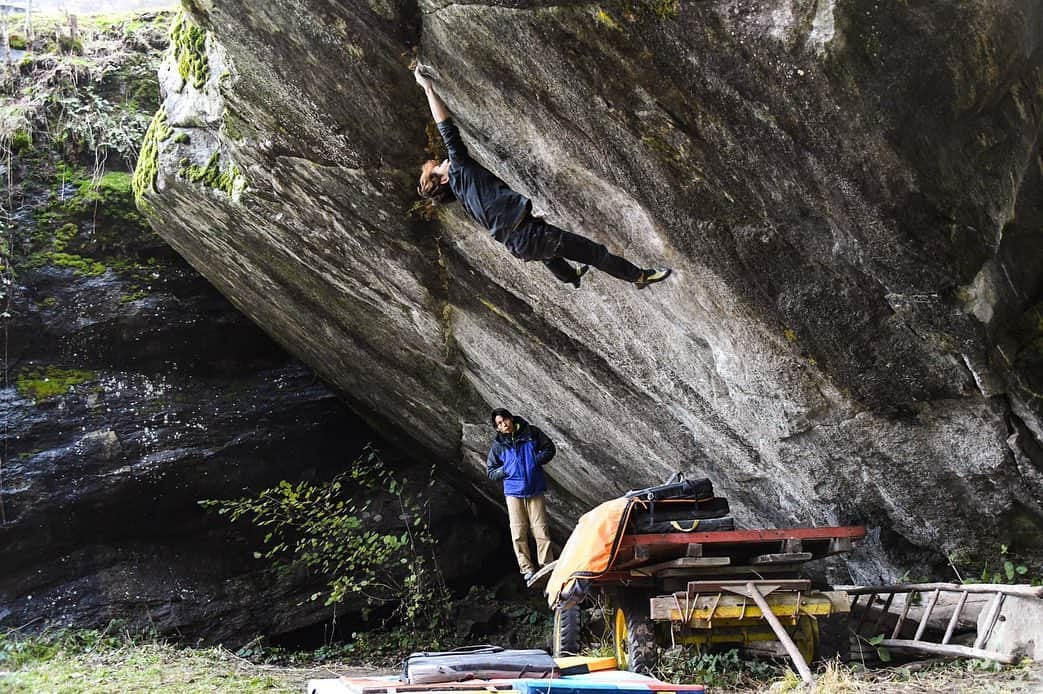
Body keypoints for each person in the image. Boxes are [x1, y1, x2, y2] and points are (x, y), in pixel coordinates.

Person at [414, 65, 672, 290]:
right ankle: (639, 276)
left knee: (549, 252)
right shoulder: (460, 170)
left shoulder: (465, 198)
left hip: (520, 242)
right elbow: (445, 127)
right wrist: (427, 88)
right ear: (444, 179)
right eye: (439, 168)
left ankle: (571, 277)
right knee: (594, 253)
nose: (444, 161)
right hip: (528, 237)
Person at [486, 408, 556, 581]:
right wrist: (506, 470)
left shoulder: (530, 432)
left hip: (534, 489)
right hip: (513, 493)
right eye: (499, 424)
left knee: (541, 530)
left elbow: (549, 448)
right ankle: (527, 569)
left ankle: (547, 566)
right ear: (497, 428)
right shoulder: (498, 446)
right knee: (518, 532)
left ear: (511, 419)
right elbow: (491, 471)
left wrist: (535, 460)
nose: (504, 425)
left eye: (505, 421)